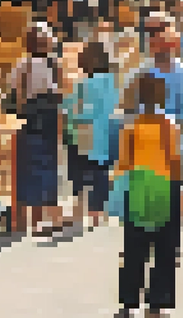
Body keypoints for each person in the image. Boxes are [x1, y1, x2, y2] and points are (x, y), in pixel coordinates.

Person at [115, 72, 183, 317]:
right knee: (164, 247)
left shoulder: (131, 125)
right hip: (164, 185)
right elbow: (174, 158)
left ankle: (128, 301)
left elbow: (124, 161)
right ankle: (157, 301)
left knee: (134, 246)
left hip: (138, 185)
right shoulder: (168, 124)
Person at [9, 25, 63, 236]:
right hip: (48, 118)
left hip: (28, 117)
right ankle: (45, 217)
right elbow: (58, 91)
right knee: (48, 165)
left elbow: (14, 89)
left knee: (27, 166)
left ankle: (26, 221)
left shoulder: (22, 65)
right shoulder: (52, 64)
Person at [145, 15, 183, 223]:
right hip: (182, 136)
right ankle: (178, 229)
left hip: (154, 138)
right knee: (182, 184)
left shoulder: (144, 72)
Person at [64, 42, 119, 229]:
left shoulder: (83, 85)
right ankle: (98, 215)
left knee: (80, 175)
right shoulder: (114, 83)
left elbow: (72, 110)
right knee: (101, 173)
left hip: (86, 134)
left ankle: (80, 213)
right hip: (109, 134)